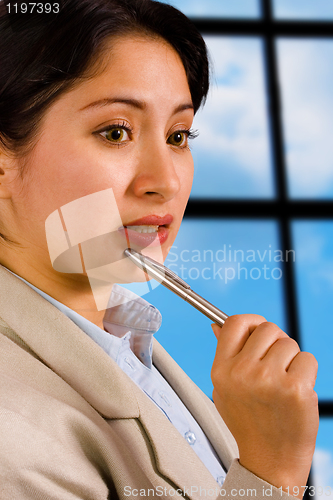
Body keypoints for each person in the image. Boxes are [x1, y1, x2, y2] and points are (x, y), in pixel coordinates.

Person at [0, 0, 319, 498]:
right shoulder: (11, 435)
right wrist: (273, 472)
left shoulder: (133, 345)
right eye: (115, 132)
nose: (165, 182)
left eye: (178, 135)